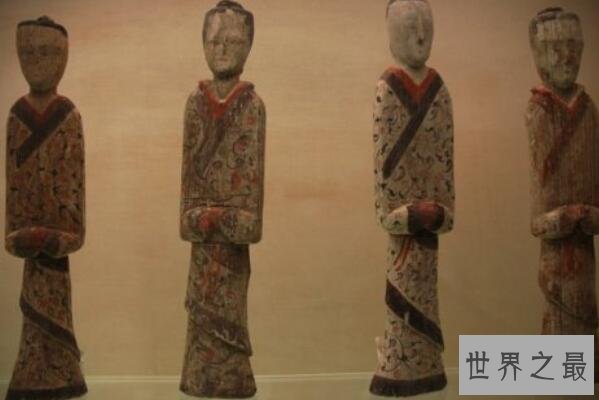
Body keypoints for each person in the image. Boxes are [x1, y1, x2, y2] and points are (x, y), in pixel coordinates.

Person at [179, 1, 265, 397]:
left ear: (249, 44)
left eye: (233, 40)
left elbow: (251, 220)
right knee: (200, 327)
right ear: (202, 44)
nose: (223, 49)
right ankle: (201, 378)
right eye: (215, 41)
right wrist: (205, 218)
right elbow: (186, 214)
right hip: (202, 253)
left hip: (231, 255)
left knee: (230, 322)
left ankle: (232, 377)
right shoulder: (194, 106)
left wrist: (218, 219)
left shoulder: (253, 108)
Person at [371, 0, 455, 396]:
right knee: (403, 297)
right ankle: (399, 364)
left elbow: (445, 177)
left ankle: (422, 365)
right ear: (390, 35)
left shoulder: (440, 93)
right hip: (403, 233)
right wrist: (401, 214)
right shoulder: (387, 90)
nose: (420, 36)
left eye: (426, 26)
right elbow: (383, 188)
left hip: (427, 231)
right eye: (409, 27)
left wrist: (439, 213)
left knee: (424, 292)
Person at [5, 16, 87, 400]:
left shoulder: (68, 116)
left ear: (63, 57)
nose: (37, 62)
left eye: (47, 53)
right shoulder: (16, 116)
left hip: (56, 250)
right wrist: (19, 235)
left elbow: (75, 199)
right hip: (32, 251)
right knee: (34, 315)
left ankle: (61, 372)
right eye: (28, 52)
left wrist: (62, 237)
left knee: (53, 306)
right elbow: (13, 199)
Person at [526, 7, 599, 383]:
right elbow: (539, 216)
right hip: (556, 256)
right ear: (538, 54)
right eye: (556, 47)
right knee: (560, 319)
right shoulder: (538, 111)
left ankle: (578, 369)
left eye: (574, 46)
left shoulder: (589, 111)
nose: (567, 56)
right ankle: (559, 372)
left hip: (584, 254)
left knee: (585, 312)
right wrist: (558, 219)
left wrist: (588, 215)